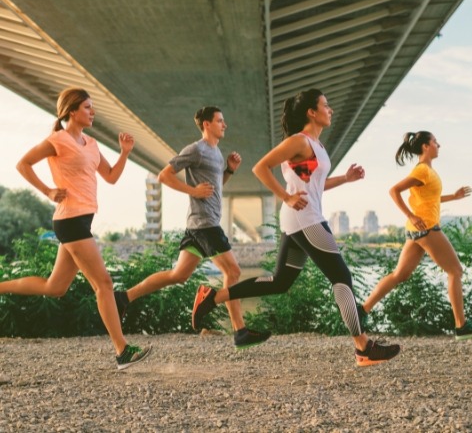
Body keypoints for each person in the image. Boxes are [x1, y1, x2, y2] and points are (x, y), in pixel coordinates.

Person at [192, 89, 401, 366]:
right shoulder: (299, 141)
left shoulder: (315, 146)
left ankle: (212, 297)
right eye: (326, 105)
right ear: (311, 113)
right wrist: (286, 196)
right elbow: (261, 167)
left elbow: (312, 184)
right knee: (342, 278)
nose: (331, 110)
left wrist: (345, 179)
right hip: (307, 219)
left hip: (299, 218)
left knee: (280, 282)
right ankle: (363, 347)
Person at [0, 87, 151, 370]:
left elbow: (111, 177)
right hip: (70, 220)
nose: (92, 112)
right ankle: (122, 351)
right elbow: (23, 164)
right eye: (87, 108)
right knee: (103, 283)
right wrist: (47, 190)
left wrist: (125, 153)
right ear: (71, 111)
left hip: (83, 219)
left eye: (92, 108)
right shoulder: (57, 140)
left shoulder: (91, 144)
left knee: (55, 287)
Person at [114, 106, 270, 349]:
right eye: (220, 120)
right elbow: (164, 175)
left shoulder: (217, 153)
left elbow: (215, 188)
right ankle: (240, 331)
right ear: (207, 124)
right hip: (205, 224)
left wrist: (228, 170)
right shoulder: (196, 150)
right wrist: (192, 191)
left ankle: (124, 297)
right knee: (234, 272)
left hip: (197, 225)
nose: (224, 124)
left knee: (178, 275)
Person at [359, 131, 472, 340]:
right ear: (426, 147)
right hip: (427, 228)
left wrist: (453, 197)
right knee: (455, 271)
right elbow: (394, 191)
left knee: (400, 275)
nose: (439, 145)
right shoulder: (422, 170)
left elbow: (431, 199)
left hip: (417, 230)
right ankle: (461, 325)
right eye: (435, 142)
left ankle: (362, 310)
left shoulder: (428, 171)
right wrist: (411, 214)